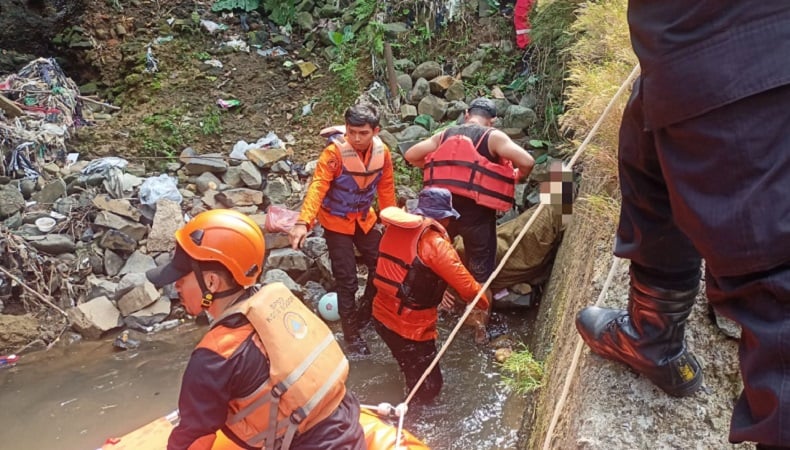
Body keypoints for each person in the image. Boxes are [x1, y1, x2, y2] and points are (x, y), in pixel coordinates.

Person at [573, 3, 790, 449]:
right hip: (687, 47)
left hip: (738, 41)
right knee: (649, 130)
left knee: (778, 289)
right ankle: (653, 334)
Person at [145, 209, 366, 450]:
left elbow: (193, 443)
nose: (175, 285)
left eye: (181, 276)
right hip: (350, 430)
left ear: (211, 282)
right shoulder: (278, 301)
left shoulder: (213, 357)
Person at [404, 97, 534, 342]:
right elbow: (527, 161)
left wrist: (432, 165)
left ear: (466, 114)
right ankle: (479, 331)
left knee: (433, 260)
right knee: (481, 277)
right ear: (493, 119)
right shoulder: (493, 137)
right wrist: (513, 178)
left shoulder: (444, 135)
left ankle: (432, 311)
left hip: (446, 218)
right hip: (478, 219)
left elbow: (411, 155)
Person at [289, 103, 396, 355]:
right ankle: (351, 336)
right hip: (336, 222)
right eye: (352, 132)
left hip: (363, 218)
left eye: (363, 133)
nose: (356, 138)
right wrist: (303, 222)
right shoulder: (333, 155)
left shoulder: (384, 154)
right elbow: (318, 187)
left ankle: (365, 313)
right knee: (347, 280)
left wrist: (391, 223)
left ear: (376, 131)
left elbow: (386, 189)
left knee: (382, 266)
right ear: (346, 129)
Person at [371, 188, 490, 403]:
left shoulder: (395, 230)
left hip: (381, 318)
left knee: (409, 368)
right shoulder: (435, 244)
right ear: (444, 219)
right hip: (410, 329)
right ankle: (411, 420)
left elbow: (407, 270)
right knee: (431, 387)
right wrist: (482, 303)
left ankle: (408, 391)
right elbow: (468, 288)